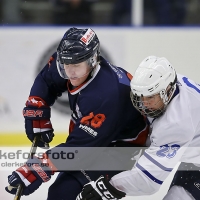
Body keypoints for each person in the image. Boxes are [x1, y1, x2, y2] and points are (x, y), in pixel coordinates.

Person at [5, 27, 149, 200]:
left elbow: (80, 149)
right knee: (60, 193)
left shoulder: (106, 94)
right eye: (66, 65)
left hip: (123, 149)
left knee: (66, 193)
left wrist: (38, 167)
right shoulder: (72, 63)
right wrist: (37, 106)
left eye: (76, 66)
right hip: (94, 141)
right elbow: (47, 79)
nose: (70, 72)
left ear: (93, 60)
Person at [77, 56, 200, 200]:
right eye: (141, 97)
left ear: (167, 91)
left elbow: (148, 180)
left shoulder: (177, 122)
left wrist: (106, 187)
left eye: (150, 98)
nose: (144, 104)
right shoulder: (170, 83)